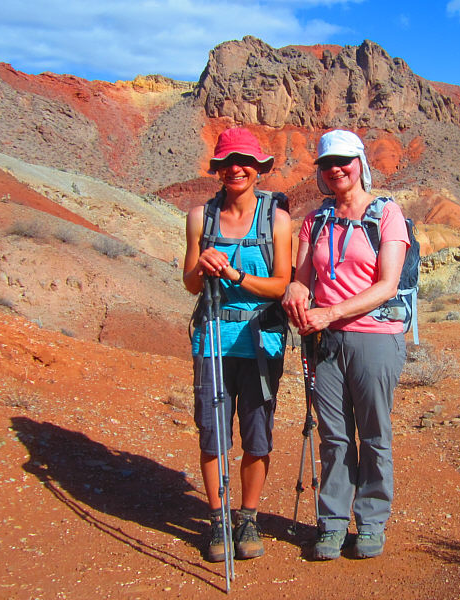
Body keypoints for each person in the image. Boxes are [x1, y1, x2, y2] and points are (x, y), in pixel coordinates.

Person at [282, 129, 409, 560]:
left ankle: (371, 521)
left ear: (359, 164)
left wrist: (330, 313)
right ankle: (333, 523)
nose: (335, 169)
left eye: (343, 160)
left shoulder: (386, 213)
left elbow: (388, 285)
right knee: (334, 436)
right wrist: (297, 294)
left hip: (374, 338)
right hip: (325, 343)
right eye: (326, 163)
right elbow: (302, 276)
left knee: (374, 433)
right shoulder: (314, 221)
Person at [182, 127, 291, 562]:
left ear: (259, 168)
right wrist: (204, 268)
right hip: (212, 341)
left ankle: (248, 517)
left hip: (261, 341)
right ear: (218, 169)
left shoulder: (277, 221)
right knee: (212, 435)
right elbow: (190, 283)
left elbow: (283, 283)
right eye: (227, 162)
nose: (236, 169)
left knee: (257, 435)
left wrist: (237, 277)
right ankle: (216, 520)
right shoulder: (199, 217)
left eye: (245, 161)